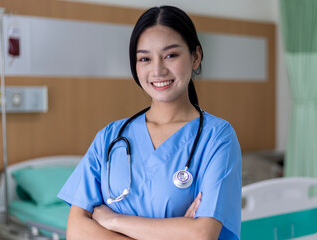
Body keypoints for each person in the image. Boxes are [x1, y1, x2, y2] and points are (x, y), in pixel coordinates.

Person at [58, 5, 242, 240]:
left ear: (195, 57)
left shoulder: (217, 137)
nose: (158, 70)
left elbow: (201, 234)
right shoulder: (109, 137)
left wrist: (114, 220)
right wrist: (175, 232)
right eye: (145, 58)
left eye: (170, 55)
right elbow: (76, 231)